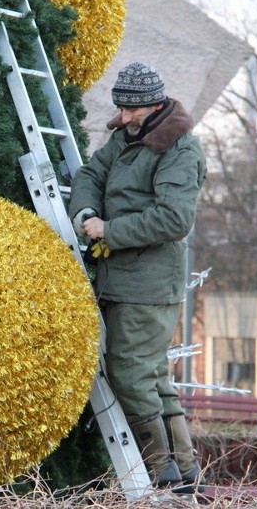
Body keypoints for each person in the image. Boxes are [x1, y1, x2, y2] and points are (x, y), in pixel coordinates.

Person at [69, 62, 207, 490]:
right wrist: (86, 212)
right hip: (124, 278)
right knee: (151, 375)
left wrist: (110, 230)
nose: (124, 117)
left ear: (156, 103)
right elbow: (92, 173)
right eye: (120, 108)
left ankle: (157, 467)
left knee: (129, 373)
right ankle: (183, 472)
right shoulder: (126, 136)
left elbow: (174, 219)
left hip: (148, 285)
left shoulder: (179, 149)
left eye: (132, 110)